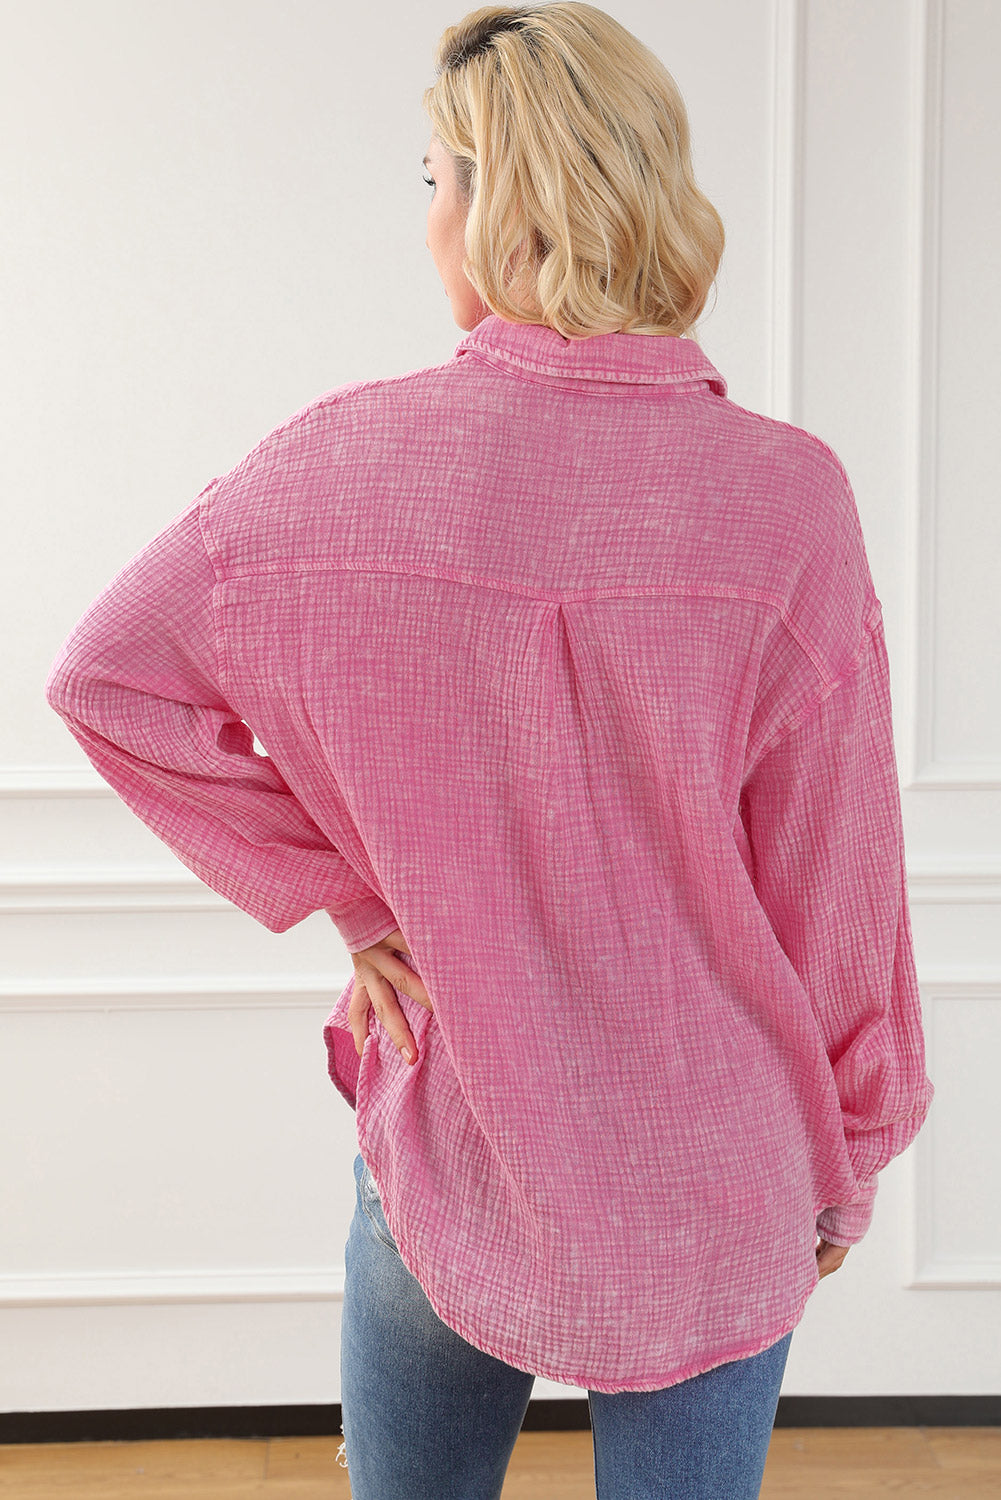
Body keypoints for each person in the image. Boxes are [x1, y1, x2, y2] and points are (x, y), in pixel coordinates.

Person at [44, 3, 935, 1497]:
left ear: (491, 201)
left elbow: (108, 683)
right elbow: (835, 879)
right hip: (713, 1165)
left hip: (455, 1132)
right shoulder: (786, 498)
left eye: (434, 179)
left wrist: (351, 899)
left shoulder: (334, 465)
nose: (428, 219)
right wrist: (846, 1148)